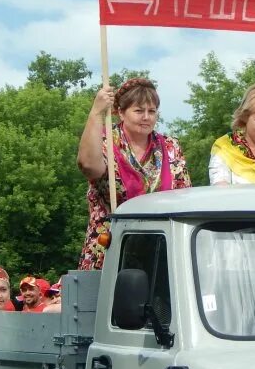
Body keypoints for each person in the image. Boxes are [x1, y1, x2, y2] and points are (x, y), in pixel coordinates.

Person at [77, 77, 191, 270]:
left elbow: (184, 194)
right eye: (139, 111)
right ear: (121, 112)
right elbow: (88, 165)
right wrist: (96, 112)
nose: (146, 117)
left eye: (152, 111)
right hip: (112, 245)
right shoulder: (105, 142)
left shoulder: (170, 147)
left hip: (159, 246)